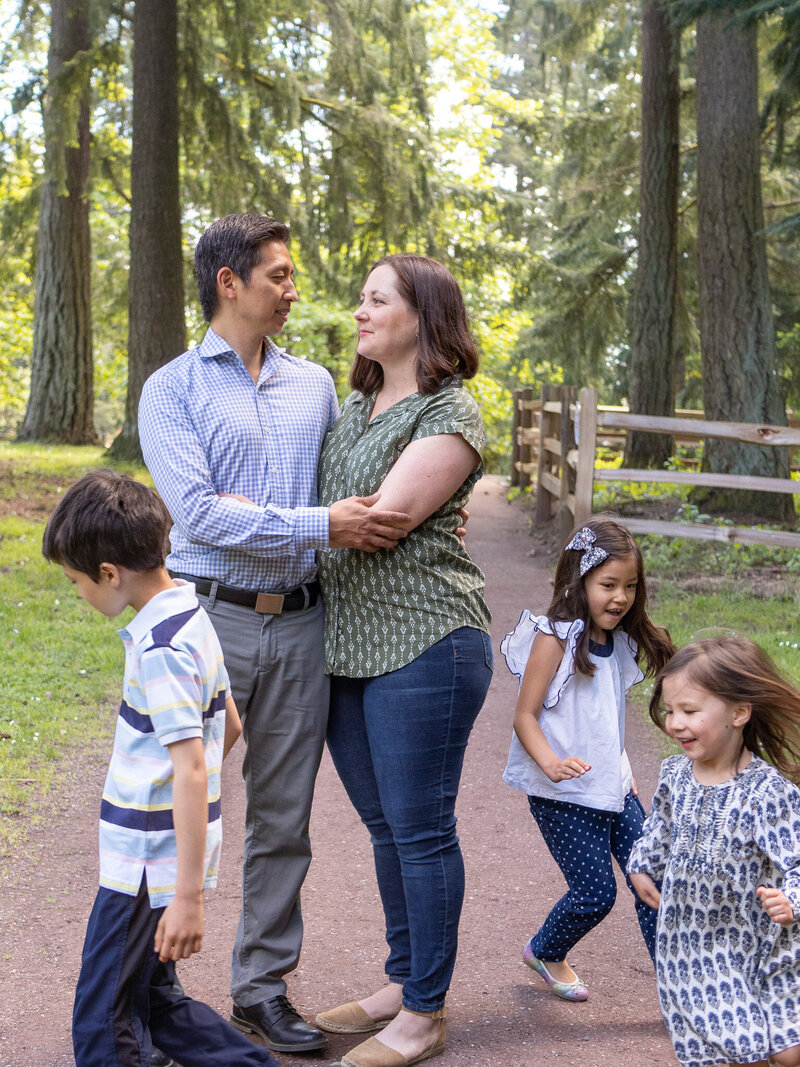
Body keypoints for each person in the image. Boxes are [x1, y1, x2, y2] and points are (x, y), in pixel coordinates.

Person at [138, 214, 412, 1054]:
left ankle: (261, 987)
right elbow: (202, 516)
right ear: (230, 282)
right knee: (169, 804)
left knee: (283, 818)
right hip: (208, 618)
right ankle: (146, 988)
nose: (294, 290)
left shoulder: (318, 386)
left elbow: (352, 480)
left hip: (301, 625)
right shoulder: (172, 389)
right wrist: (321, 524)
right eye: (280, 276)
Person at [312, 254, 493, 1067]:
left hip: (427, 640)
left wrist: (279, 519)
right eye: (360, 299)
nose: (360, 310)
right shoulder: (354, 405)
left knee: (420, 830)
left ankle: (425, 1011)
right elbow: (339, 516)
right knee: (385, 827)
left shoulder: (449, 410)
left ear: (424, 314)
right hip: (349, 646)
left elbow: (384, 520)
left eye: (376, 299)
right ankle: (401, 977)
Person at [41, 469, 280, 1067]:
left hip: (145, 865)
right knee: (154, 999)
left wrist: (186, 895)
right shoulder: (192, 618)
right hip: (160, 858)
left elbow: (193, 770)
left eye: (75, 581)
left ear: (109, 573)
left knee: (104, 1020)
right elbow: (229, 723)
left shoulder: (162, 650)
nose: (78, 594)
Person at [501, 517, 675, 1002]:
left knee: (653, 880)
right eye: (608, 585)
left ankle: (680, 988)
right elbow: (524, 717)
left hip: (614, 789)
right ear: (579, 579)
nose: (620, 597)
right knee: (596, 895)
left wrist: (623, 770)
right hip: (562, 793)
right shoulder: (552, 636)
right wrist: (551, 764)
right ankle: (545, 950)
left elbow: (606, 718)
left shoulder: (618, 642)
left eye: (630, 587)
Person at [628, 637, 800, 1067]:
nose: (675, 723)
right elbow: (660, 828)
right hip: (698, 947)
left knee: (789, 1053)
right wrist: (642, 865)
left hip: (765, 941)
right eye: (670, 711)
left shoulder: (768, 793)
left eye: (690, 711)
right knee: (739, 1051)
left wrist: (791, 900)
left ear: (739, 713)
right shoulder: (675, 775)